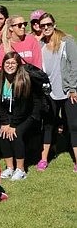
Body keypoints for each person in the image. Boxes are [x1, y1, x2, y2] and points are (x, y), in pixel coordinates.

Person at [0, 52, 43, 180]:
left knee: (16, 134)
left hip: (27, 113)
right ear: (2, 65)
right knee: (3, 133)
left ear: (18, 65)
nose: (10, 66)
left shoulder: (24, 79)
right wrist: (4, 122)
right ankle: (10, 167)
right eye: (7, 63)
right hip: (8, 114)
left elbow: (23, 106)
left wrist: (13, 125)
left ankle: (21, 169)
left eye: (13, 63)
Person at [37, 12, 77, 172]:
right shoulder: (40, 45)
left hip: (68, 92)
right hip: (49, 93)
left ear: (54, 24)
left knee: (74, 125)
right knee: (48, 125)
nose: (46, 27)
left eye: (48, 24)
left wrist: (73, 88)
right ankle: (44, 158)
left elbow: (75, 66)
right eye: (42, 25)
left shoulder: (67, 42)